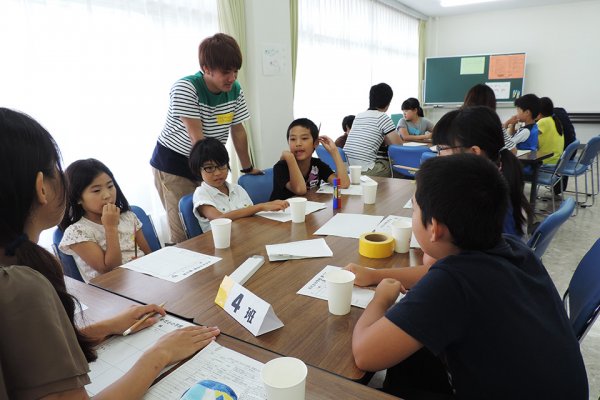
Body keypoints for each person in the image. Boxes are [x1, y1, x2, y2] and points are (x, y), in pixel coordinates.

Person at [0, 107, 220, 399]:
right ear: (42, 187)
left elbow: (24, 353)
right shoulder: (20, 286)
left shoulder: (17, 266)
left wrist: (106, 327)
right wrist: (160, 354)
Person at [350, 153, 588, 400]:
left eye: (414, 208)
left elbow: (365, 355)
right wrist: (376, 275)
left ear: (435, 228)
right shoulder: (511, 246)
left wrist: (382, 298)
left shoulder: (453, 283)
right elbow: (433, 273)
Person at [150, 33, 261, 244]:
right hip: (175, 164)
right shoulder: (186, 87)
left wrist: (247, 168)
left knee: (217, 226)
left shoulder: (235, 90)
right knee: (185, 229)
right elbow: (196, 137)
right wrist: (210, 175)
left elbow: (238, 130)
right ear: (206, 69)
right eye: (226, 72)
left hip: (207, 162)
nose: (232, 78)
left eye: (236, 71)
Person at [58, 159, 150, 283]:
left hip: (142, 279)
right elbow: (109, 270)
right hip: (110, 290)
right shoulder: (77, 231)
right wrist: (110, 227)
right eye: (96, 190)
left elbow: (148, 254)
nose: (107, 195)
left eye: (110, 186)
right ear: (78, 198)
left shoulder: (128, 216)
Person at [190, 138, 289, 232]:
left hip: (245, 236)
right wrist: (261, 206)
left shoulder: (237, 189)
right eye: (209, 168)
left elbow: (252, 216)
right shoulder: (201, 193)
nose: (217, 173)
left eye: (221, 166)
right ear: (198, 170)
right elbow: (219, 218)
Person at [270, 118, 350, 200]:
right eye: (293, 139)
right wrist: (290, 158)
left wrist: (334, 152)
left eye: (304, 138)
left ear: (315, 143)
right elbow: (300, 190)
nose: (298, 144)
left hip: (308, 210)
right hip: (281, 211)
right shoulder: (281, 167)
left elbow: (343, 184)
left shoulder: (317, 165)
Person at [343, 83, 402, 177]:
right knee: (391, 165)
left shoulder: (359, 116)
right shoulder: (382, 117)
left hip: (347, 169)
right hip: (364, 171)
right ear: (388, 102)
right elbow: (399, 146)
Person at [462, 83, 516, 153]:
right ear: (491, 104)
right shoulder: (492, 123)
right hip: (486, 163)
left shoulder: (456, 121)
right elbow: (513, 151)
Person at [537, 97, 565, 166]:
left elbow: (528, 138)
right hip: (556, 161)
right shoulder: (554, 120)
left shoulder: (543, 122)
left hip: (547, 162)